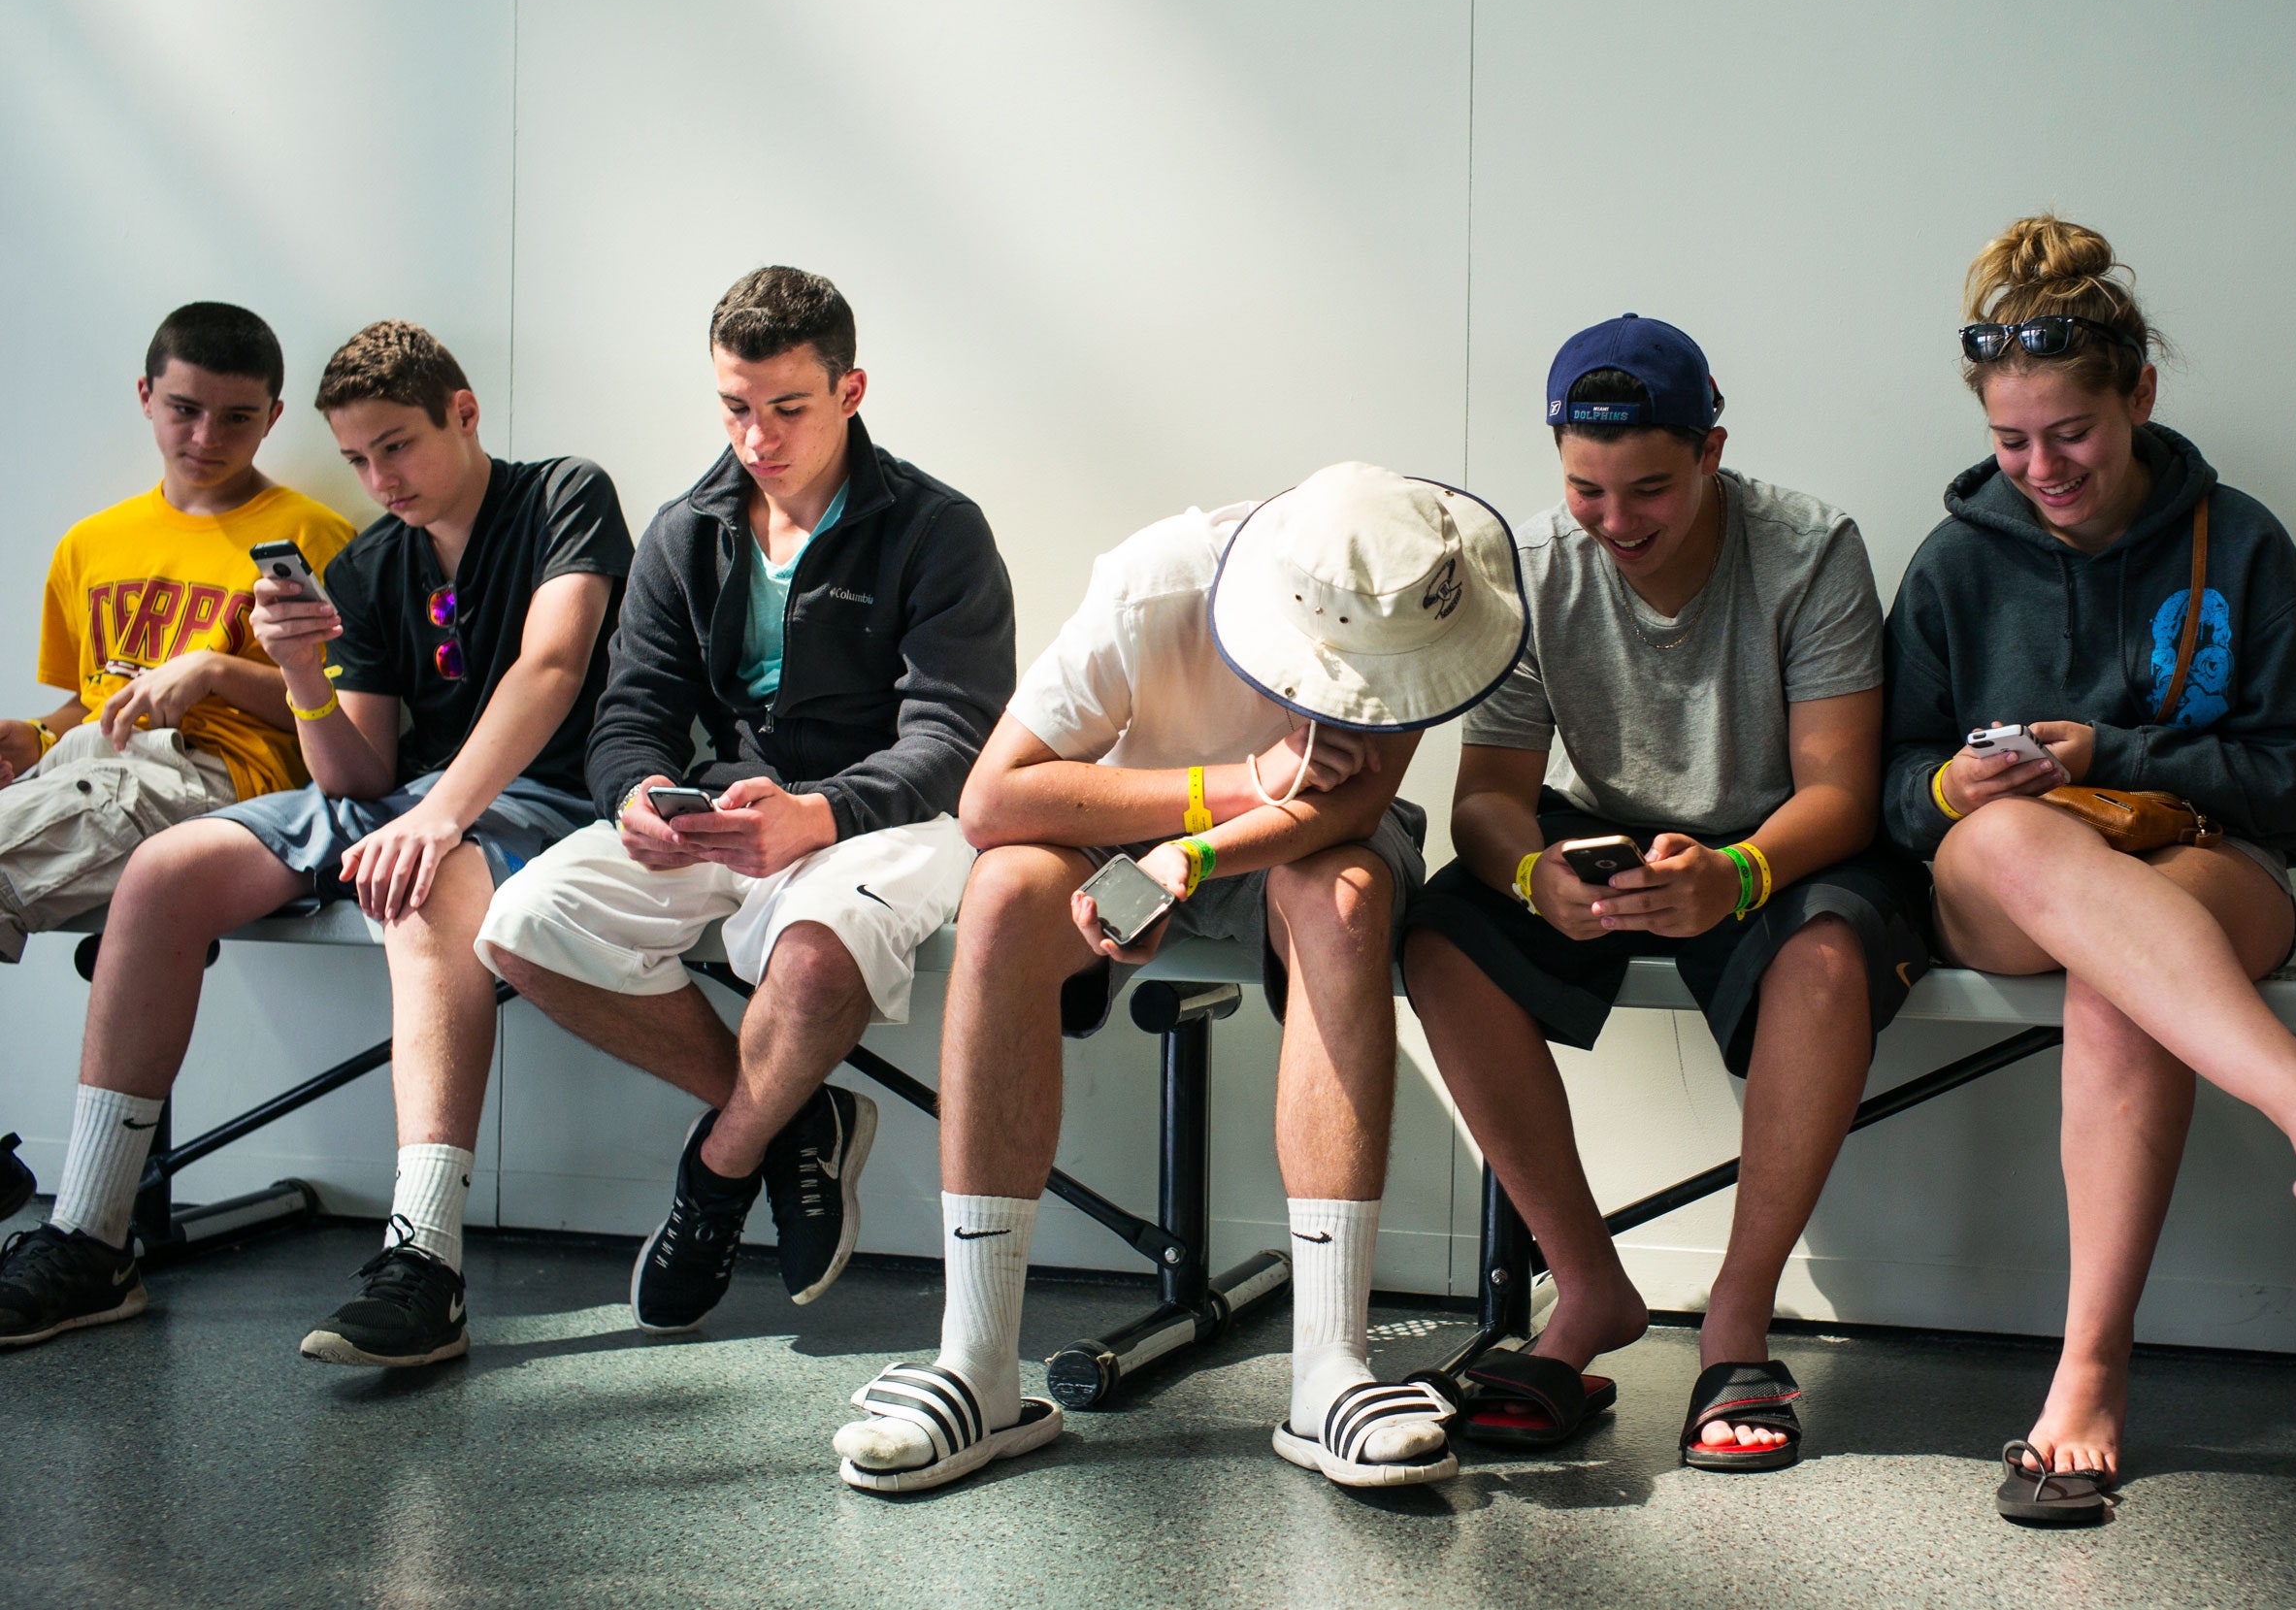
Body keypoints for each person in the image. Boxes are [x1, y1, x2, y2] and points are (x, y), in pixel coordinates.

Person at [831, 459, 1528, 1495]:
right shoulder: (1157, 585)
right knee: (1003, 898)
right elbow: (993, 802)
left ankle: (1328, 1369)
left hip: (1286, 848)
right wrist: (1223, 796)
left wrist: (1192, 863)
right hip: (1150, 818)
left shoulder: (1428, 596)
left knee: (1342, 903)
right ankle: (977, 1367)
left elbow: (1346, 803)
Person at [0, 320, 631, 1364]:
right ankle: (90, 1240)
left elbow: (552, 669)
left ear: (464, 415)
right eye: (356, 458)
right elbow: (358, 776)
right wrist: (301, 674)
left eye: (398, 446)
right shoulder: (380, 559)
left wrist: (440, 815)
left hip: (546, 790)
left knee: (419, 889)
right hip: (411, 796)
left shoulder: (563, 494)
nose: (380, 478)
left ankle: (423, 1262)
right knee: (162, 872)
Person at [1400, 315, 1931, 1471]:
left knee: (1830, 952)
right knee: (1441, 937)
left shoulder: (1809, 546)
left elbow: (1841, 791)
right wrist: (1534, 875)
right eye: (1587, 490)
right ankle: (1591, 1294)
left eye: (1649, 489)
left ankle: (1736, 1324)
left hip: (1780, 831)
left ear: (1711, 452)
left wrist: (1738, 874)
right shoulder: (1530, 562)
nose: (1617, 522)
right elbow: (1488, 797)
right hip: (1605, 832)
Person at [1883, 215, 2296, 1526]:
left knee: (2121, 984)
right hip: (2002, 882)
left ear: (2137, 395)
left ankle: (2086, 1376)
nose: (2041, 467)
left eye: (2068, 434)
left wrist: (2125, 749)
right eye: (2011, 442)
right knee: (2024, 841)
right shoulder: (1956, 563)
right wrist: (1956, 787)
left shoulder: (2240, 543)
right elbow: (1888, 790)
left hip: (2203, 869)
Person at [478, 267, 1016, 1329]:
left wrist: (820, 816)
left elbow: (956, 739)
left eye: (787, 408)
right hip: (723, 816)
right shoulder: (690, 529)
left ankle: (721, 1172)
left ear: (851, 391)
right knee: (521, 925)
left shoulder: (937, 530)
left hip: (887, 822)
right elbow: (629, 713)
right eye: (735, 407)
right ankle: (792, 1116)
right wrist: (637, 794)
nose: (757, 437)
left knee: (815, 957)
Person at [0, 302, 354, 965]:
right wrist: (35, 738)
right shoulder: (89, 545)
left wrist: (214, 670)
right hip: (86, 760)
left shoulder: (317, 540)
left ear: (273, 418)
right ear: (146, 397)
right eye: (184, 409)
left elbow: (356, 723)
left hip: (220, 779)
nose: (205, 438)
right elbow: (92, 701)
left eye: (237, 418)